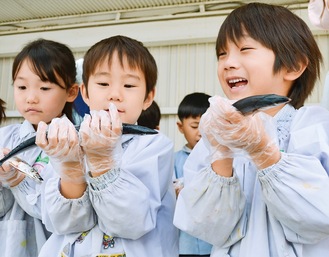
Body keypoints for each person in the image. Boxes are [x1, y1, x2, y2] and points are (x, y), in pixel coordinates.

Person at [174, 3, 329, 257]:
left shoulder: (313, 126)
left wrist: (264, 153)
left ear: (294, 66)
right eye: (222, 54)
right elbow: (206, 227)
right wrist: (222, 156)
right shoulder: (212, 141)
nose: (228, 63)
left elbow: (320, 215)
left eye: (245, 49)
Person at [36, 35, 178, 257]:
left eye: (129, 85)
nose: (115, 95)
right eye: (103, 84)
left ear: (148, 97)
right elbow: (60, 223)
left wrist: (103, 164)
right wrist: (71, 172)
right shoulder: (68, 144)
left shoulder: (154, 145)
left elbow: (131, 223)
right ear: (85, 93)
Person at [0, 38, 78, 257]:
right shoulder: (4, 137)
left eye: (44, 87)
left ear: (71, 92)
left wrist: (19, 181)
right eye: (22, 86)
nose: (31, 98)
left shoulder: (75, 145)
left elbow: (57, 215)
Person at [173, 92, 213, 257]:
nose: (200, 133)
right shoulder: (174, 160)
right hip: (185, 244)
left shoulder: (219, 161)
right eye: (195, 126)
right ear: (181, 127)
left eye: (206, 127)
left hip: (213, 243)